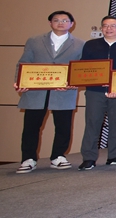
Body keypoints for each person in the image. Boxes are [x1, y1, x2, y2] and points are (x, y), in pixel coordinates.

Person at [14, 11, 85, 173]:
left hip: (64, 91)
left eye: (65, 20)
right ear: (50, 23)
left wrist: (74, 83)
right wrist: (19, 82)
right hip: (36, 91)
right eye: (56, 20)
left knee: (63, 126)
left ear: (71, 24)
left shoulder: (80, 43)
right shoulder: (34, 41)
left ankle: (58, 156)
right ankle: (28, 159)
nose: (61, 23)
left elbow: (81, 68)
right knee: (31, 126)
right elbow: (23, 63)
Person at [78, 16, 116, 171]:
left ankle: (114, 155)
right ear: (101, 28)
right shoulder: (90, 45)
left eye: (113, 26)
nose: (109, 29)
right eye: (105, 26)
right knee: (92, 123)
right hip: (95, 91)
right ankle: (89, 157)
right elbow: (83, 67)